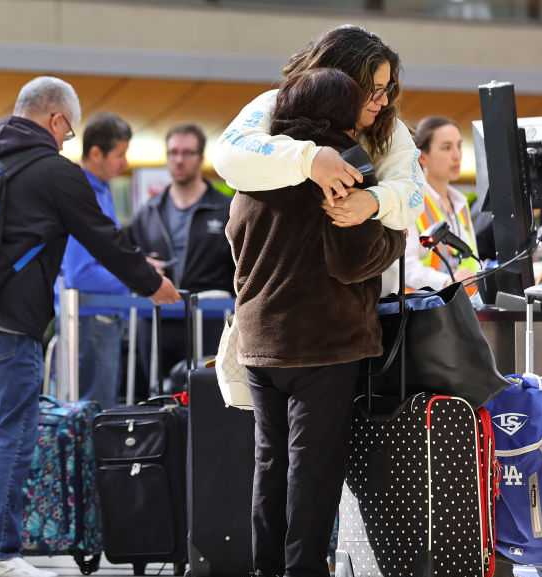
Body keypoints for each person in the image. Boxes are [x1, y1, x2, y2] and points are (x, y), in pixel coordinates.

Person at [0, 76, 179, 577]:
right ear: (56, 119)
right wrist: (152, 286)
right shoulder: (54, 172)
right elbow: (103, 238)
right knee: (13, 436)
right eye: (68, 131)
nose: (68, 140)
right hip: (7, 323)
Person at [226, 67, 405, 577]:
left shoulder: (259, 164)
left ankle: (267, 568)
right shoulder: (345, 164)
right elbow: (353, 259)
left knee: (271, 463)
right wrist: (394, 234)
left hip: (260, 341)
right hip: (323, 344)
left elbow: (235, 239)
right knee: (313, 470)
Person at [211, 25, 424, 236]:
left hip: (366, 267)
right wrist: (309, 160)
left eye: (386, 88)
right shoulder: (275, 102)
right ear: (342, 79)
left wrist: (375, 200)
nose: (384, 100)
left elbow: (413, 195)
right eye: (374, 89)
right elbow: (228, 154)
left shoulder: (391, 127)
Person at [128, 123, 235, 385]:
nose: (179, 160)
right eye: (173, 152)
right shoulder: (149, 212)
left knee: (208, 396)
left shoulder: (225, 209)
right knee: (158, 399)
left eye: (187, 153)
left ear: (200, 158)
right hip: (157, 320)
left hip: (211, 320)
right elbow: (131, 259)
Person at [55, 112, 133, 409]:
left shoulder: (102, 190)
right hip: (89, 320)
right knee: (93, 412)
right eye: (119, 155)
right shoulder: (83, 193)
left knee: (99, 408)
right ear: (96, 153)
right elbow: (79, 273)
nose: (124, 163)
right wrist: (133, 276)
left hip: (97, 319)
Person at [405, 116, 480, 290]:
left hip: (465, 304)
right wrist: (446, 280)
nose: (457, 155)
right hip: (428, 309)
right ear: (422, 157)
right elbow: (406, 267)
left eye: (459, 146)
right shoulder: (411, 201)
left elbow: (472, 261)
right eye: (447, 147)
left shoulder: (461, 203)